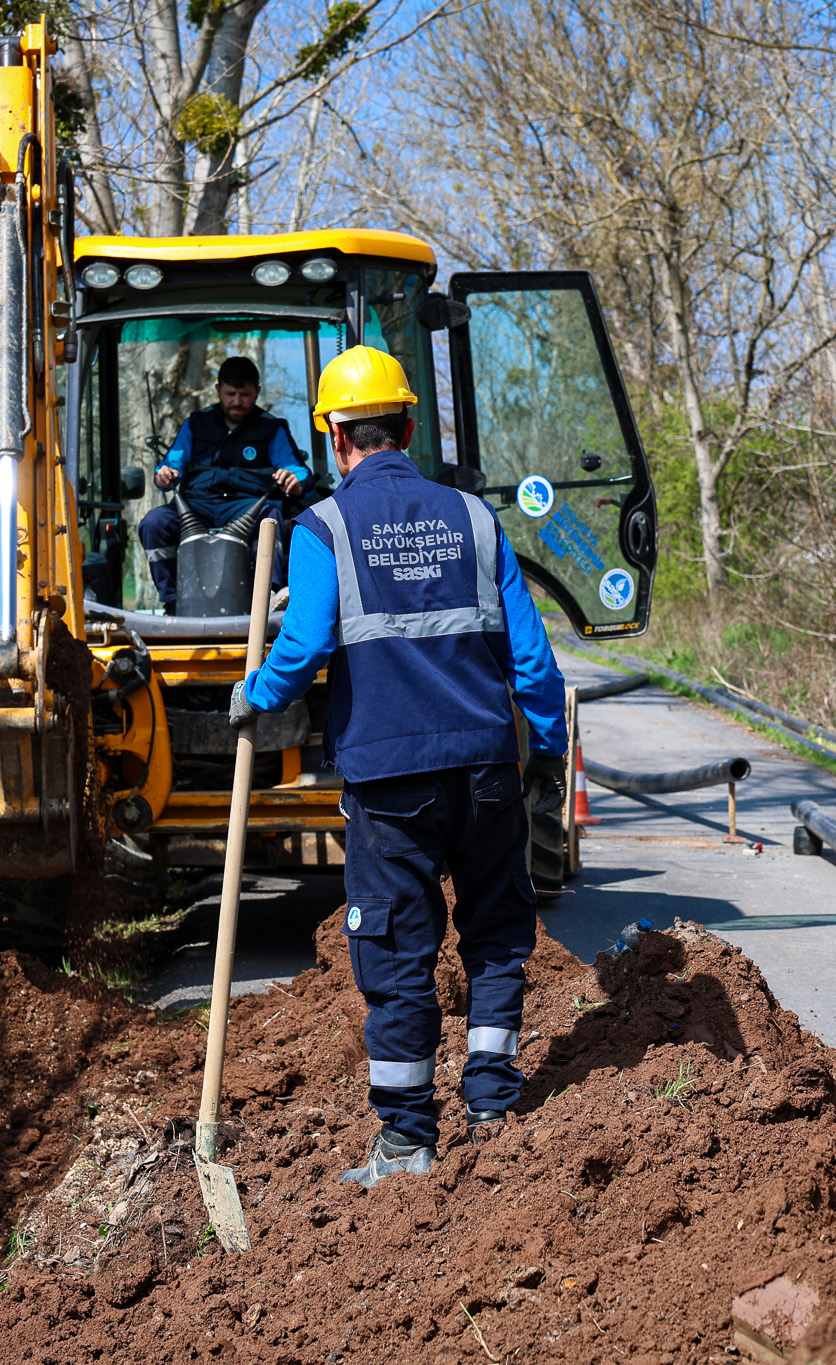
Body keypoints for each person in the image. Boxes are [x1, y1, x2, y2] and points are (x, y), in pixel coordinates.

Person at [229, 346, 569, 1189]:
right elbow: (532, 658)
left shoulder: (324, 528)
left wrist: (254, 692)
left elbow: (305, 643)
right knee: (497, 935)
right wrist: (547, 751)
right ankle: (493, 1107)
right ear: (411, 430)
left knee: (396, 949)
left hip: (389, 783)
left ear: (335, 438)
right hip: (486, 766)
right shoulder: (476, 519)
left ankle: (409, 1140)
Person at [138, 356, 310, 610]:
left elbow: (298, 471)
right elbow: (172, 463)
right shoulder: (196, 424)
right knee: (154, 523)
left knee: (271, 517)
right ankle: (173, 603)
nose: (237, 401)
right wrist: (163, 473)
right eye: (230, 394)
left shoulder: (272, 429)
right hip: (196, 508)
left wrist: (296, 481)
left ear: (257, 392)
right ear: (218, 390)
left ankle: (268, 597)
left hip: (247, 508)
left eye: (245, 395)